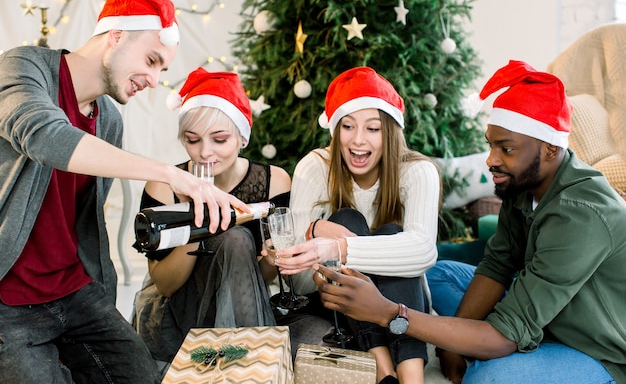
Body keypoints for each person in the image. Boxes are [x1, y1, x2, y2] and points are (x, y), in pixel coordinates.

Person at [312, 60, 626, 384]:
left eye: (506, 149)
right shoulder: (525, 183)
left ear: (549, 148)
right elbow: (497, 265)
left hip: (597, 347)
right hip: (543, 310)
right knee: (434, 276)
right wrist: (450, 349)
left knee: (488, 378)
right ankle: (483, 340)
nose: (491, 160)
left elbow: (504, 335)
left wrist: (391, 314)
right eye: (491, 144)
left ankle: (508, 352)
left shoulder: (581, 214)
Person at [0, 0, 245, 384]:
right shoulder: (23, 68)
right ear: (115, 36)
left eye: (162, 69)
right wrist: (170, 174)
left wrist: (101, 287)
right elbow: (45, 137)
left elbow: (85, 220)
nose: (154, 80)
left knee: (142, 376)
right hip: (8, 298)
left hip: (73, 290)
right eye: (151, 61)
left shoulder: (109, 118)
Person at [273, 66, 440, 384]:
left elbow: (422, 252)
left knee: (392, 233)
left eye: (373, 128)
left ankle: (411, 377)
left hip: (401, 304)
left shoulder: (417, 172)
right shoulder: (315, 167)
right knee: (347, 219)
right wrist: (315, 230)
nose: (358, 140)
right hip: (335, 304)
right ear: (334, 129)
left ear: (389, 131)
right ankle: (383, 370)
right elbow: (298, 278)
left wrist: (336, 247)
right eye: (347, 126)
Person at [131, 67, 291, 374]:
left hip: (245, 305)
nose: (205, 153)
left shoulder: (274, 182)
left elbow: (262, 278)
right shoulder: (165, 185)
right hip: (180, 311)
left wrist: (273, 258)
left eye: (219, 140)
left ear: (242, 137)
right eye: (193, 140)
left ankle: (245, 366)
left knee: (237, 239)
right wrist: (196, 223)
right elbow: (164, 285)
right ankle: (250, 367)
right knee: (233, 236)